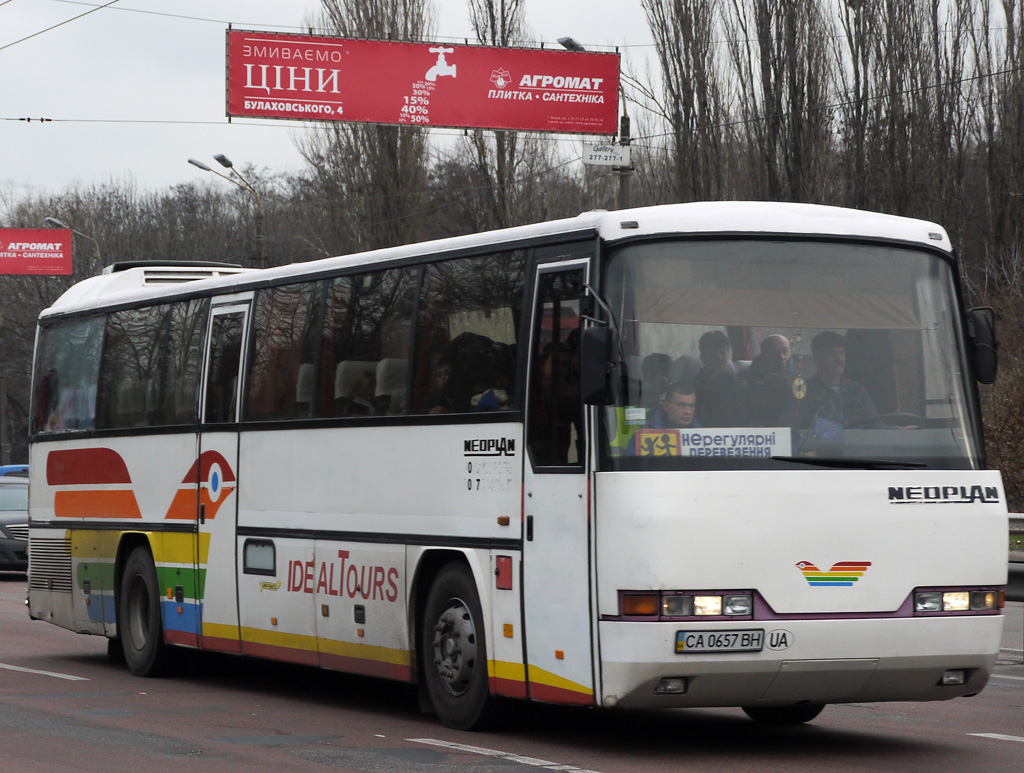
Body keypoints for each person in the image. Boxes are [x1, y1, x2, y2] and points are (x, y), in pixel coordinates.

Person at [786, 330, 879, 430]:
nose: (839, 359)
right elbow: (791, 429)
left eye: (841, 353)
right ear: (817, 359)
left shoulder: (857, 390)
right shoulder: (803, 392)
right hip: (818, 445)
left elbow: (875, 425)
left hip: (857, 445)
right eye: (832, 354)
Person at [694, 330, 745, 426]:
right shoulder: (694, 387)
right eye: (713, 354)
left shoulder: (740, 384)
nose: (719, 358)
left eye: (722, 353)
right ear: (702, 357)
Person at [742, 335, 792, 426]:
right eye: (774, 353)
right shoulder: (752, 381)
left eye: (785, 351)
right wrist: (764, 385)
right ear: (764, 356)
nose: (781, 357)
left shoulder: (802, 371)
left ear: (790, 351)